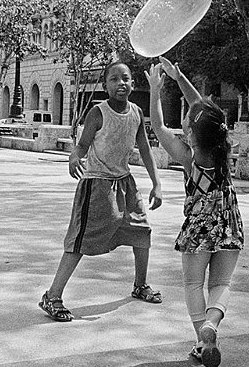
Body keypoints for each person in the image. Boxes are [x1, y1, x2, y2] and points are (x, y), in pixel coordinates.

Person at [38, 61, 163, 323]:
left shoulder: (137, 113)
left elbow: (145, 148)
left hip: (125, 183)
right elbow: (83, 145)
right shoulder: (98, 112)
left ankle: (140, 285)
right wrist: (75, 156)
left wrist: (156, 183)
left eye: (126, 78)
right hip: (97, 184)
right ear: (105, 85)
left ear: (132, 83)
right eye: (114, 79)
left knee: (142, 232)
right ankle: (52, 296)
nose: (121, 83)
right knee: (81, 240)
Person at [147, 58, 244, 367]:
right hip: (228, 222)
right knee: (221, 284)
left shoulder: (189, 157)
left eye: (188, 121)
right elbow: (203, 111)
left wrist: (155, 90)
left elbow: (159, 126)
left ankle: (202, 341)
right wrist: (180, 78)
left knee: (193, 285)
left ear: (190, 131)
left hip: (199, 227)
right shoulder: (221, 148)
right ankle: (211, 327)